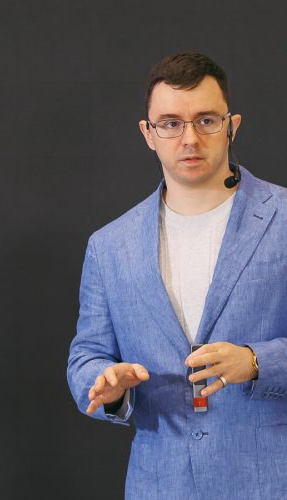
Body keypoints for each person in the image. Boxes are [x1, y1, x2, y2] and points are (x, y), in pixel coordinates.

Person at [67, 52, 287, 499]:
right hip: (160, 484)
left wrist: (258, 361)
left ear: (232, 125)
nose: (190, 138)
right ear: (149, 134)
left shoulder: (282, 217)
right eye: (170, 123)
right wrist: (106, 382)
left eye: (206, 120)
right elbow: (87, 354)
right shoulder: (109, 246)